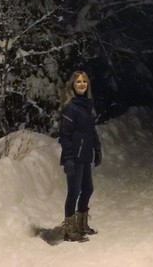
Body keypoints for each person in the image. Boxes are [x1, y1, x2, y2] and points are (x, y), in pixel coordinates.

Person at [59, 70, 102, 241]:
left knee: (88, 189)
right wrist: (68, 158)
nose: (82, 84)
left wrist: (97, 149)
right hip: (74, 157)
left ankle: (81, 223)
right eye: (78, 82)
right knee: (74, 191)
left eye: (84, 81)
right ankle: (70, 229)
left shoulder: (87, 104)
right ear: (72, 85)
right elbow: (65, 136)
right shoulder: (71, 107)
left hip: (85, 155)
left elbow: (91, 131)